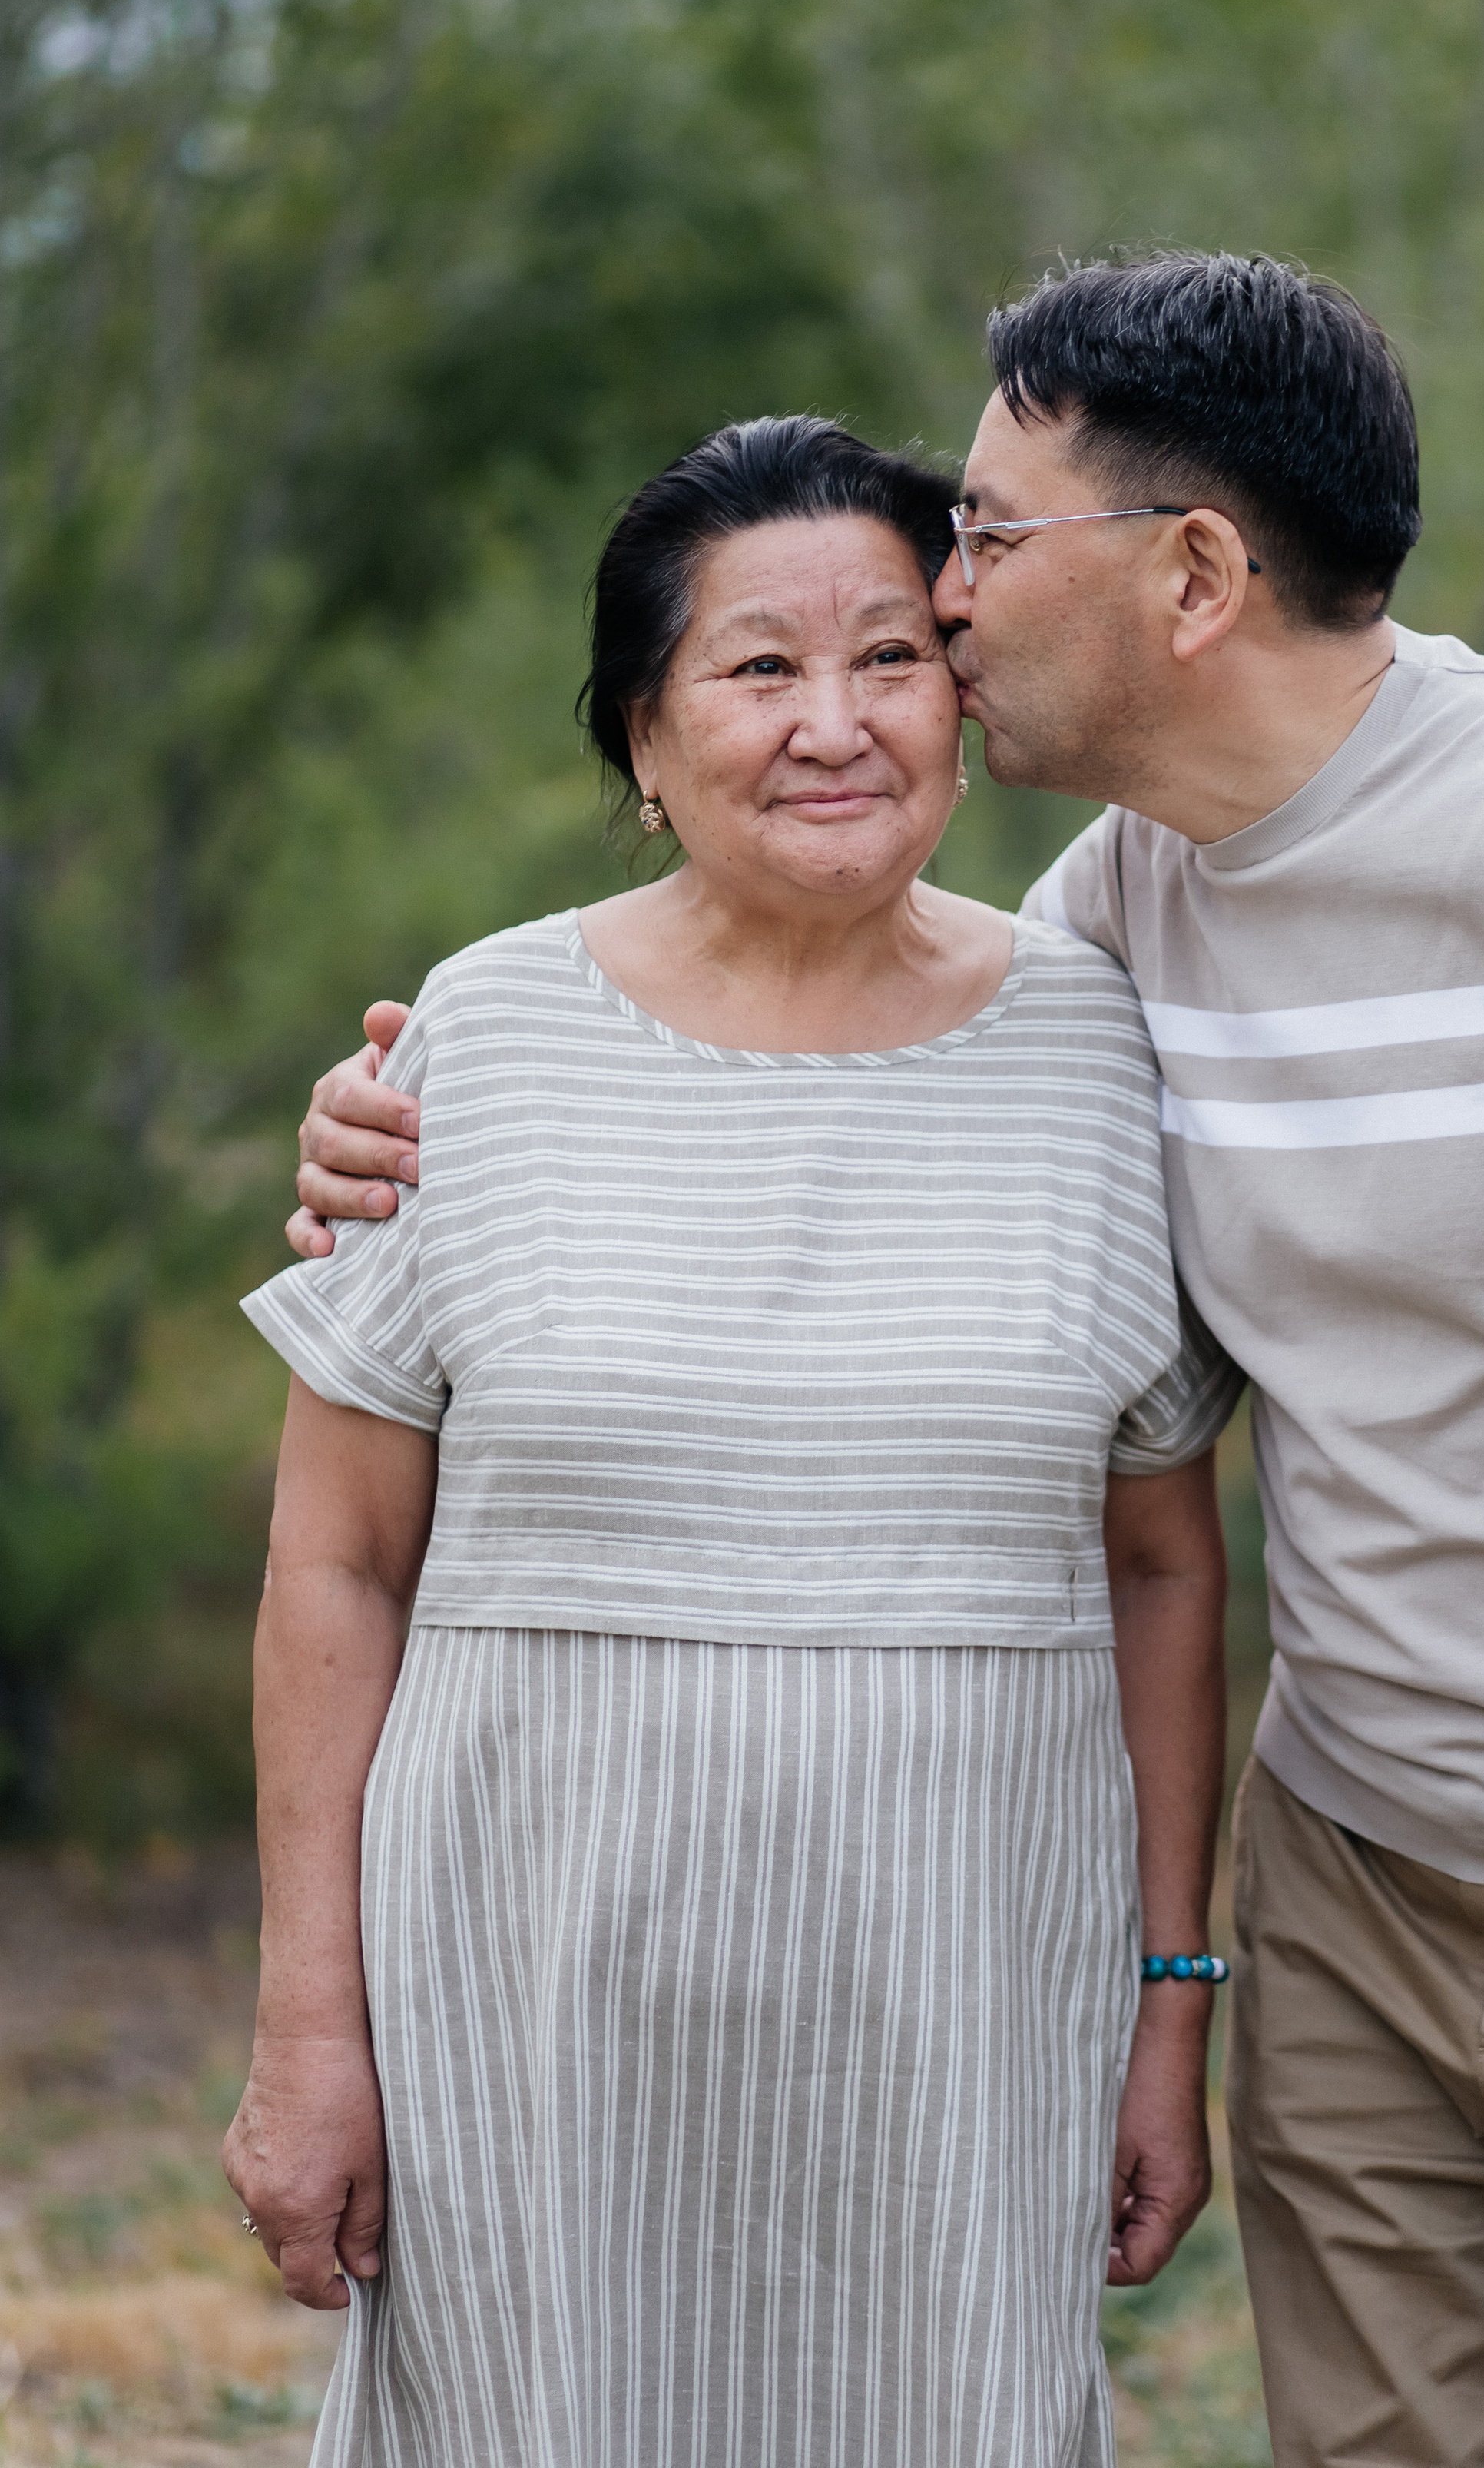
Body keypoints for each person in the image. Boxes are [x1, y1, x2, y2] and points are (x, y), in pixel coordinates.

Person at [292, 258, 1484, 2468]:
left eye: (984, 537)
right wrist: (404, 1121)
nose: (944, 598)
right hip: (1363, 1898)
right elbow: (842, 1088)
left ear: (1192, 574)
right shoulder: (1117, 925)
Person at [224, 415, 1244, 2468]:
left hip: (971, 1987)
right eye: (758, 669)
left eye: (890, 657)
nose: (835, 723)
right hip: (530, 1979)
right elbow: (336, 1560)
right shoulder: (473, 1046)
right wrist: (307, 2029)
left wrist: (1169, 2006)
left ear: (963, 698)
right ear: (644, 736)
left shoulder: (1103, 1040)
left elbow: (1162, 1568)